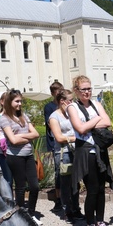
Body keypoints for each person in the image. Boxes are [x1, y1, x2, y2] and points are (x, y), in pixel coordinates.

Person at [68, 75, 113, 226]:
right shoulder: (72, 107)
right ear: (76, 91)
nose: (87, 92)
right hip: (86, 151)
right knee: (92, 188)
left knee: (102, 188)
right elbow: (80, 129)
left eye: (89, 89)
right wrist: (96, 120)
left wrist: (89, 123)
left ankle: (100, 220)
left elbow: (107, 122)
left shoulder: (96, 104)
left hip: (99, 149)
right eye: (83, 89)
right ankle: (89, 223)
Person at [1, 89, 42, 225]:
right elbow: (13, 141)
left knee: (34, 186)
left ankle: (31, 214)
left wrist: (20, 136)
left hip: (28, 155)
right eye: (17, 101)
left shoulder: (24, 116)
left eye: (20, 101)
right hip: (15, 156)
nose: (19, 104)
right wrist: (25, 138)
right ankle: (19, 216)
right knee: (20, 187)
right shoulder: (5, 119)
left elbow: (36, 134)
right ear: (9, 102)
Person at [48, 88, 84, 224]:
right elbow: (58, 137)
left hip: (76, 151)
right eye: (70, 100)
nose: (72, 103)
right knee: (65, 183)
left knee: (76, 182)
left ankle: (76, 208)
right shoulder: (54, 117)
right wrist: (75, 138)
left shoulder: (73, 114)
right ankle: (67, 210)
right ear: (62, 101)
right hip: (63, 153)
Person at [44, 81, 64, 212]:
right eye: (57, 91)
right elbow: (50, 124)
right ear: (52, 93)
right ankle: (58, 199)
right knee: (58, 172)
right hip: (55, 142)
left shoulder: (67, 105)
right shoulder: (49, 107)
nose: (59, 93)